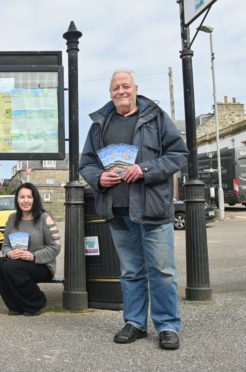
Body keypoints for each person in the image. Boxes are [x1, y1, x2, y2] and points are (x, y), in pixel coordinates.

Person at [79, 70, 189, 350]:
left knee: (162, 271)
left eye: (125, 86)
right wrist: (98, 178)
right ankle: (136, 323)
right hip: (118, 209)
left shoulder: (156, 117)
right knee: (130, 272)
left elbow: (179, 155)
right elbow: (87, 164)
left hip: (153, 209)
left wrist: (146, 168)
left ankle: (167, 326)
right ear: (110, 93)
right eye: (116, 87)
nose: (121, 91)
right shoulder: (99, 125)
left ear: (136, 88)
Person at [0, 183, 61, 316]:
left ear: (35, 199)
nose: (25, 200)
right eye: (22, 197)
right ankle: (15, 305)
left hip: (41, 265)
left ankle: (37, 302)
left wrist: (33, 256)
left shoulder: (44, 218)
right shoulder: (12, 218)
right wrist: (9, 253)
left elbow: (55, 247)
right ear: (17, 199)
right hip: (16, 262)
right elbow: (5, 245)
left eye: (29, 197)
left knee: (11, 267)